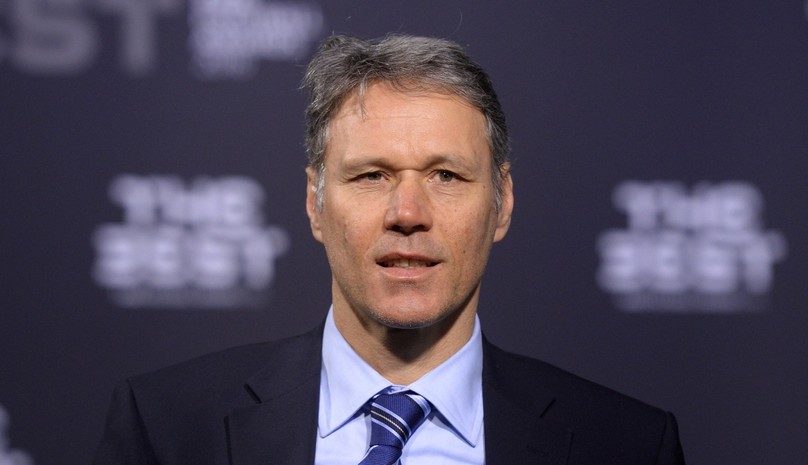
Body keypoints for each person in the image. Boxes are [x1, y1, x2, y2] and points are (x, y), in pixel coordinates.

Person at [94, 34, 686, 465]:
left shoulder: (628, 445)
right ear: (315, 203)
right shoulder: (166, 427)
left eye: (446, 176)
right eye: (371, 175)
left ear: (502, 203)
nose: (407, 213)